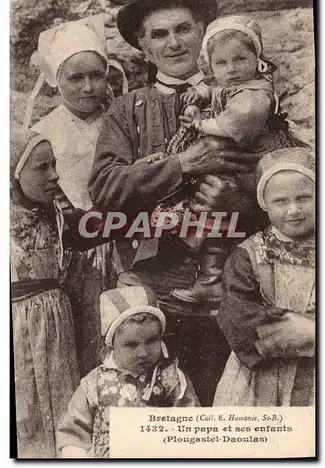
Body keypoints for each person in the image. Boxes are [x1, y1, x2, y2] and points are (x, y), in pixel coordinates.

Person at [89, 0, 262, 406]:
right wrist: (182, 165)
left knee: (232, 411)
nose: (174, 42)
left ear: (202, 33)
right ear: (145, 48)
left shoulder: (248, 96)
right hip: (153, 291)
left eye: (184, 29)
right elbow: (105, 190)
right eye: (160, 34)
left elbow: (290, 184)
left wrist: (235, 198)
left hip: (234, 286)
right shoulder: (127, 110)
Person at [151, 15, 308, 304]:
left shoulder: (255, 93)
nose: (232, 69)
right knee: (209, 205)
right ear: (211, 66)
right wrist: (202, 92)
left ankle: (213, 278)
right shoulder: (234, 84)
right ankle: (206, 269)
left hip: (255, 164)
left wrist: (200, 125)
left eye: (240, 60)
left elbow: (234, 125)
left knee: (217, 207)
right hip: (236, 161)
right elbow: (218, 90)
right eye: (221, 63)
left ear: (256, 59)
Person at [31, 15, 127, 377]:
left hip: (122, 238)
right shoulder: (45, 132)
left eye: (96, 76)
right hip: (76, 250)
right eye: (75, 78)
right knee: (86, 331)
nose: (88, 87)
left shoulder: (120, 118)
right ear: (57, 82)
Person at [213, 148, 315, 406]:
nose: (293, 210)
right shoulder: (249, 255)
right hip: (259, 384)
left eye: (304, 197)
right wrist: (291, 330)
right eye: (280, 201)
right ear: (264, 204)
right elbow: (236, 316)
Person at [56, 286, 199, 458]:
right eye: (131, 344)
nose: (143, 352)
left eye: (152, 340)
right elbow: (74, 431)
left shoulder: (171, 378)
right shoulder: (96, 382)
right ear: (111, 345)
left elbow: (190, 424)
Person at [11, 128, 80, 458]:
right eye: (41, 168)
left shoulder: (57, 214)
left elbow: (103, 225)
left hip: (56, 328)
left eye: (54, 165)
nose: (54, 176)